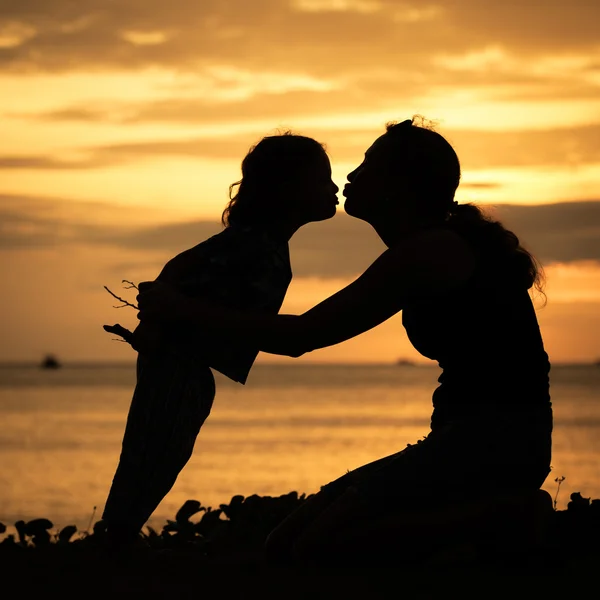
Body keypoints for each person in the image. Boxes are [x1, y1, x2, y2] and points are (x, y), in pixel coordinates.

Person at [134, 116, 553, 563]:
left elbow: (303, 335)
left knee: (316, 548)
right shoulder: (424, 249)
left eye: (369, 166)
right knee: (284, 543)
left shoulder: (430, 252)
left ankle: (504, 516)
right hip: (464, 438)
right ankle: (483, 525)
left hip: (498, 442)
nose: (351, 175)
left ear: (401, 185)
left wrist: (182, 310)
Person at [101, 132, 339, 544]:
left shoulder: (260, 243)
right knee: (153, 458)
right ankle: (111, 544)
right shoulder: (254, 245)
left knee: (156, 457)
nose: (334, 189)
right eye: (322, 181)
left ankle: (112, 541)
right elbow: (177, 273)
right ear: (286, 190)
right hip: (180, 365)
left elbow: (177, 273)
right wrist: (161, 320)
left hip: (185, 365)